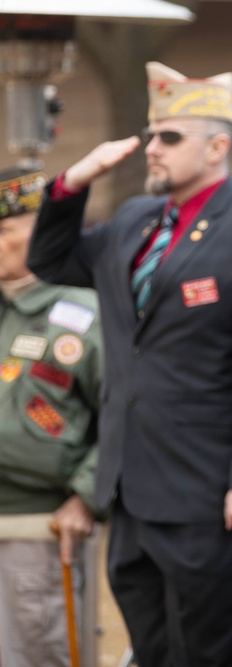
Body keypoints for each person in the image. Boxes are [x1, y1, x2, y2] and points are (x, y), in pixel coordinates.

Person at [27, 62, 232, 667]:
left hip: (215, 496)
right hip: (134, 489)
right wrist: (74, 180)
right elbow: (50, 261)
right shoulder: (134, 221)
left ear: (217, 146)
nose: (153, 149)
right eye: (152, 135)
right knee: (152, 652)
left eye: (170, 138)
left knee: (211, 655)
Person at [0, 168, 101, 667]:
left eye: (4, 231)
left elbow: (127, 415)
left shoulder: (83, 314)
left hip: (39, 530)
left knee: (41, 654)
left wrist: (87, 496)